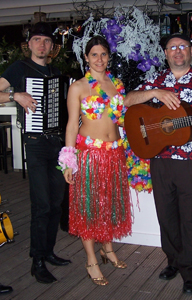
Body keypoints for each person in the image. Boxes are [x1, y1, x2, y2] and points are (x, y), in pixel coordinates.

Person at [124, 33, 192, 295]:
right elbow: (127, 101)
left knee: (191, 218)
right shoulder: (155, 80)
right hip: (160, 159)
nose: (178, 51)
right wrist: (155, 92)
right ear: (166, 53)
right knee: (166, 215)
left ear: (190, 51)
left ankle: (190, 273)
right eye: (172, 47)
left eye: (182, 47)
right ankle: (173, 262)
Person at [0, 22, 71, 284]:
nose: (42, 44)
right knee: (41, 204)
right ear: (29, 44)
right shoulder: (19, 68)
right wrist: (14, 95)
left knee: (55, 203)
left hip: (58, 144)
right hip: (36, 144)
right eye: (37, 39)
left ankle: (48, 251)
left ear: (52, 47)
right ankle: (36, 261)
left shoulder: (56, 72)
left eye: (46, 41)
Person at [60, 36, 132, 286]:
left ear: (109, 57)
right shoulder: (78, 87)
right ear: (86, 57)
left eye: (103, 54)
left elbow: (121, 118)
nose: (99, 59)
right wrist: (69, 160)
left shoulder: (117, 84)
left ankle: (107, 248)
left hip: (114, 153)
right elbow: (71, 125)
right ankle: (91, 259)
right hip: (89, 155)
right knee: (89, 209)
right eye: (94, 55)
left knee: (109, 204)